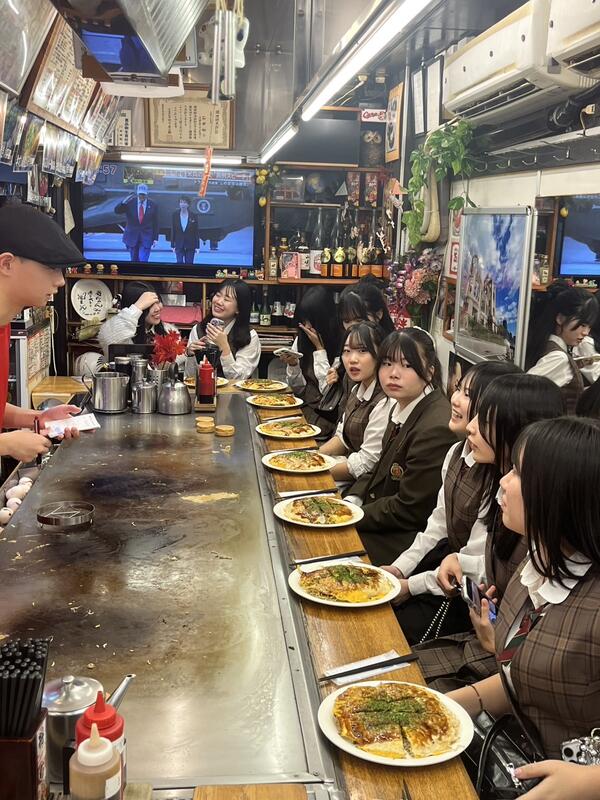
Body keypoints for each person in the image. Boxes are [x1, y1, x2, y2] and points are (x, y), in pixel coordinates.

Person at [447, 416, 600, 759]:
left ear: (558, 495)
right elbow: (518, 682)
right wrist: (442, 706)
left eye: (517, 472)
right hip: (510, 755)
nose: (503, 480)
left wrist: (587, 782)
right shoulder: (535, 566)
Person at [414, 374, 564, 686]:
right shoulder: (502, 493)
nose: (471, 425)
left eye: (486, 419)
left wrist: (496, 639)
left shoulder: (541, 532)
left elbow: (527, 658)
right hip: (484, 648)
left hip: (492, 667)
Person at [380, 361, 521, 644]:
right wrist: (400, 568)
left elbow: (473, 563)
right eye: (459, 389)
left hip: (467, 595)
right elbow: (438, 523)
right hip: (443, 572)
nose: (455, 400)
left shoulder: (498, 479)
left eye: (469, 396)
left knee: (389, 633)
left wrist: (410, 585)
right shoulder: (457, 452)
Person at [349, 328, 457, 565]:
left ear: (430, 371)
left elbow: (410, 509)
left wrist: (350, 515)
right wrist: (352, 500)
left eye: (407, 365)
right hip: (383, 517)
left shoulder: (435, 427)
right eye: (387, 363)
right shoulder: (402, 403)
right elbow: (378, 469)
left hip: (407, 539)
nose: (393, 374)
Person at [0, 204, 85, 462]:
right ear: (7, 264)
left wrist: (37, 418)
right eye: (51, 268)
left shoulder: (3, 326)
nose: (60, 281)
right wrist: (4, 444)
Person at [319, 322, 394, 483]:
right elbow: (342, 437)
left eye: (362, 351)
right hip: (346, 473)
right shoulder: (356, 390)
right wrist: (314, 457)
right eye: (347, 351)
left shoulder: (386, 400)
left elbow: (366, 463)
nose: (352, 359)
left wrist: (315, 471)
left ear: (380, 354)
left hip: (364, 487)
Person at [526, 282, 600, 413]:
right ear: (560, 318)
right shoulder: (559, 358)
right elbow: (518, 393)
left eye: (589, 326)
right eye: (582, 325)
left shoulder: (546, 344)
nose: (586, 332)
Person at [278, 286, 340, 437]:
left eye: (311, 320)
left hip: (327, 418)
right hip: (304, 410)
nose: (307, 326)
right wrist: (293, 365)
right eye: (304, 320)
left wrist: (319, 349)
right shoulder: (302, 339)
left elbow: (327, 391)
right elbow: (297, 389)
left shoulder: (341, 344)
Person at [184, 278, 260, 381]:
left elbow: (238, 378)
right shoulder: (198, 329)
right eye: (218, 295)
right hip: (203, 393)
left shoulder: (250, 336)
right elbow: (189, 378)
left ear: (238, 309)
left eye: (227, 299)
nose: (219, 301)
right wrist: (190, 355)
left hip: (236, 395)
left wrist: (223, 346)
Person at [98, 281, 181, 360]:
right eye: (150, 305)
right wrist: (137, 307)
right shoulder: (121, 331)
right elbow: (110, 338)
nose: (158, 308)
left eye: (158, 302)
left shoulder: (170, 331)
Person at [114, 184, 159, 263]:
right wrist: (123, 202)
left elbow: (156, 222)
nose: (142, 196)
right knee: (134, 261)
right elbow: (117, 211)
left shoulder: (153, 204)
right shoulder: (129, 202)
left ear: (147, 194)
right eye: (140, 194)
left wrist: (155, 238)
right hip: (132, 236)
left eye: (143, 194)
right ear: (137, 193)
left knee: (143, 260)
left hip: (146, 237)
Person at [170, 196, 199, 265]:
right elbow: (173, 230)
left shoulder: (193, 215)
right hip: (179, 244)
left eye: (184, 203)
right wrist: (172, 245)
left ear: (188, 205)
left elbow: (196, 232)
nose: (182, 204)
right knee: (179, 263)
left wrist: (197, 246)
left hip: (190, 244)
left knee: (189, 264)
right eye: (181, 202)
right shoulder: (175, 215)